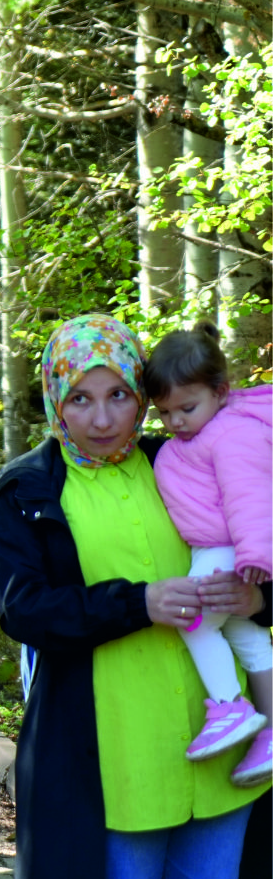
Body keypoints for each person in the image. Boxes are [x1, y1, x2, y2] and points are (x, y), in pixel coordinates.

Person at [0, 314, 269, 879]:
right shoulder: (29, 488)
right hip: (111, 759)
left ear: (141, 396)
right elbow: (23, 607)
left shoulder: (181, 452)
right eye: (80, 398)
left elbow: (259, 534)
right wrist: (136, 602)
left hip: (222, 745)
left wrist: (259, 600)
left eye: (118, 394)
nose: (102, 417)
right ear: (55, 399)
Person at [145, 323, 273, 784]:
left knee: (194, 621)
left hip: (227, 550)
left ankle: (229, 707)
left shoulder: (232, 435)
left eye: (186, 408)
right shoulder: (203, 434)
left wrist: (256, 553)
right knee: (247, 636)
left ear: (221, 392)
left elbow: (251, 495)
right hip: (221, 548)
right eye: (164, 413)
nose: (175, 422)